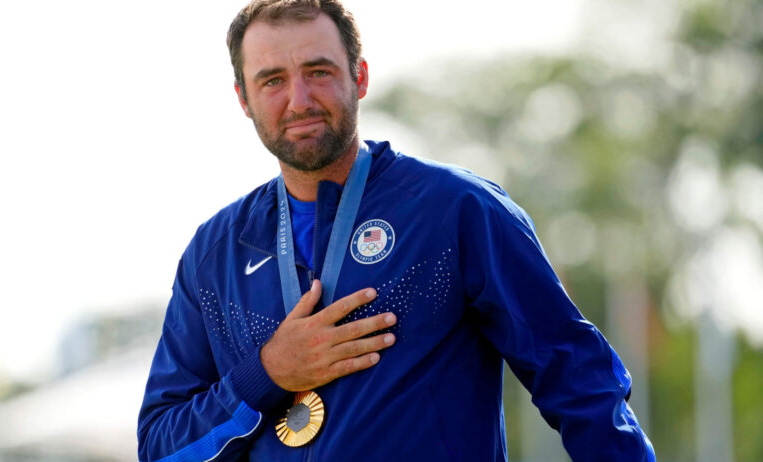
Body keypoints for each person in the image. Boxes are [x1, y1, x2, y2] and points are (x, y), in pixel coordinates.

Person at [137, 1, 656, 461]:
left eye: (318, 72)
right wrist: (267, 373)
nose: (298, 100)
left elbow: (579, 382)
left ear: (359, 77)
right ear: (243, 99)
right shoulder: (213, 254)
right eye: (272, 80)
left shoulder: (456, 211)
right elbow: (161, 446)